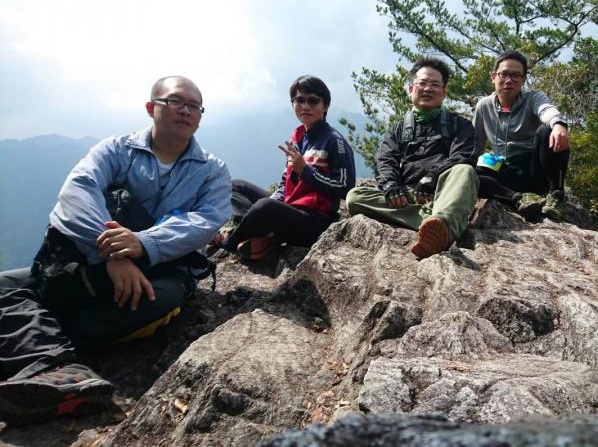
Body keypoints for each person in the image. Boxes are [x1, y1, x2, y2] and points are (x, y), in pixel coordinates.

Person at [0, 76, 231, 425]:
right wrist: (112, 252)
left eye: (194, 106)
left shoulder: (212, 171)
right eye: (175, 101)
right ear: (151, 107)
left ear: (200, 116)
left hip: (164, 267)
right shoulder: (116, 150)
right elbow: (78, 192)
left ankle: (36, 346)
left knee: (157, 299)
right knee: (5, 285)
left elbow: (207, 220)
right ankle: (58, 366)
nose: (185, 110)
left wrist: (144, 243)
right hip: (94, 261)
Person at [346, 57, 480, 259]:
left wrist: (433, 176)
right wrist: (391, 185)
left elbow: (463, 155)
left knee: (465, 170)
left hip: (443, 191)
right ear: (411, 89)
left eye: (435, 84)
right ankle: (435, 221)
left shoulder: (459, 124)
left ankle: (443, 226)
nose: (428, 89)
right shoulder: (398, 129)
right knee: (355, 198)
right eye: (422, 83)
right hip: (409, 196)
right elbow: (385, 159)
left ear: (444, 92)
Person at [216, 76, 355, 261]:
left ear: (326, 105)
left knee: (265, 207)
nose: (305, 106)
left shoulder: (334, 141)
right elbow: (285, 183)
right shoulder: (298, 137)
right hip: (291, 206)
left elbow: (345, 187)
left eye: (313, 101)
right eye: (299, 100)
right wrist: (275, 201)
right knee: (234, 186)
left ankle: (228, 242)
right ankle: (260, 232)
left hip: (315, 221)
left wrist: (306, 171)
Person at [473, 51, 571, 221]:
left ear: (524, 80)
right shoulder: (483, 106)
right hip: (504, 171)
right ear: (493, 77)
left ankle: (555, 194)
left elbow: (546, 110)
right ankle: (518, 198)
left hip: (534, 171)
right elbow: (476, 144)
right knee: (466, 173)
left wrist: (558, 124)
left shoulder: (533, 98)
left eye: (516, 75)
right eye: (504, 74)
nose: (509, 80)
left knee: (547, 131)